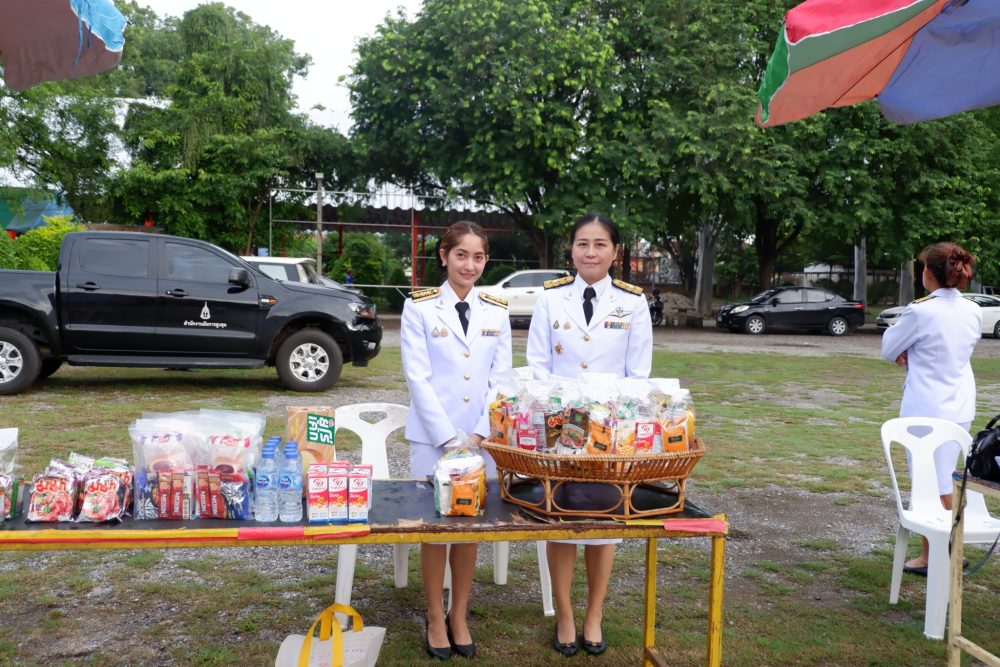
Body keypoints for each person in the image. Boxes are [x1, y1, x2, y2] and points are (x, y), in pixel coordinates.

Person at [526, 213, 653, 657]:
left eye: (600, 244)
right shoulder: (550, 298)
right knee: (560, 521)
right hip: (560, 428)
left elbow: (638, 375)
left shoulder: (632, 302)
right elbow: (538, 366)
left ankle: (594, 614)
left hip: (609, 432)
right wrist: (560, 423)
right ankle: (564, 615)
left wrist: (609, 424)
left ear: (615, 252)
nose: (591, 252)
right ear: (572, 249)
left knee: (605, 525)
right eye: (583, 243)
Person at [400, 221, 512, 660]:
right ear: (444, 256)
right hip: (434, 439)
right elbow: (418, 377)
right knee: (435, 530)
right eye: (461, 255)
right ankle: (433, 615)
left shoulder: (496, 310)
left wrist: (479, 433)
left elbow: (501, 379)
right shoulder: (420, 307)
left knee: (469, 528)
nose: (469, 265)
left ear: (486, 261)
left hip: (479, 438)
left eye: (478, 257)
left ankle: (459, 614)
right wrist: (449, 439)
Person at [881, 242, 980, 576]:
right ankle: (944, 550)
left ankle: (937, 554)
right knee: (945, 479)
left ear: (929, 273)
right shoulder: (972, 310)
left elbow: (889, 346)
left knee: (929, 484)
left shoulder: (920, 311)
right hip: (959, 405)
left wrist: (904, 350)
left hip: (925, 408)